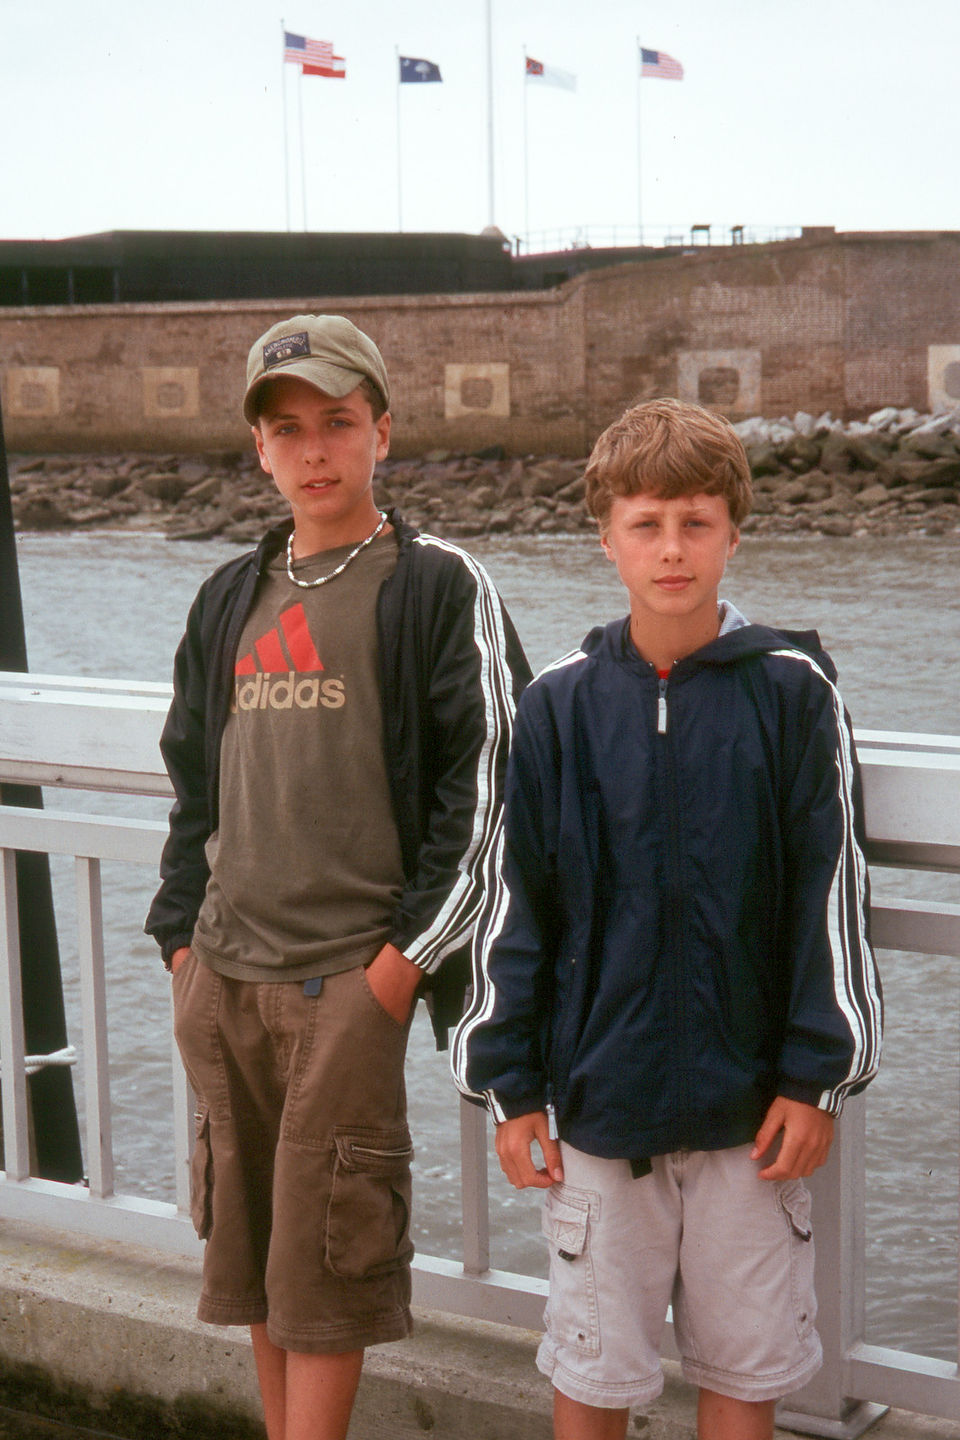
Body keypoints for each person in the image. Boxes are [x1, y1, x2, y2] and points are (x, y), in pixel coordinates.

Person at [452, 397, 882, 1440]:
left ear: (735, 530)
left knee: (745, 1373)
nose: (673, 548)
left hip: (753, 1121)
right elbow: (519, 905)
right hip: (601, 1114)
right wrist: (510, 1087)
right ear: (607, 539)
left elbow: (832, 891)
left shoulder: (794, 693)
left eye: (696, 522)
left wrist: (815, 1076)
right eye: (647, 524)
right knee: (596, 1377)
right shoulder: (556, 705)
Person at [145, 313, 530, 1440]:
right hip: (224, 977)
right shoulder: (230, 594)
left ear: (383, 435)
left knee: (329, 1273)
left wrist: (402, 968)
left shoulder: (436, 587)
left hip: (344, 988)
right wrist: (181, 939)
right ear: (259, 451)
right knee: (261, 1264)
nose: (315, 451)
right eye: (288, 430)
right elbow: (191, 778)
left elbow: (491, 793)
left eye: (339, 424)